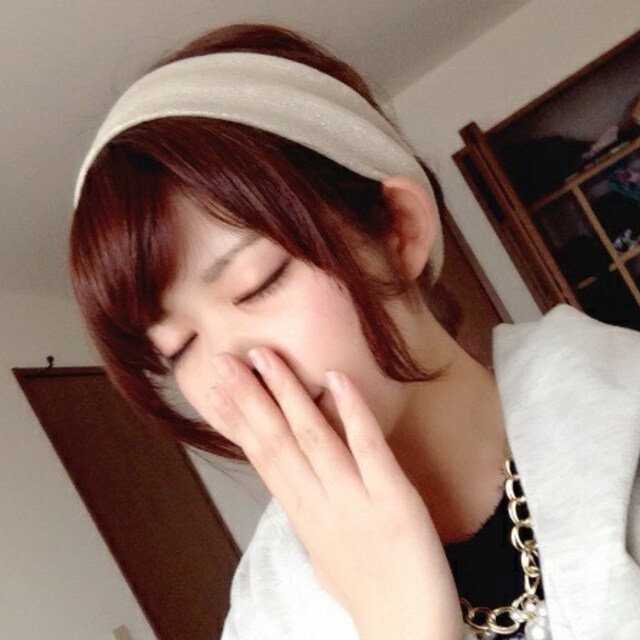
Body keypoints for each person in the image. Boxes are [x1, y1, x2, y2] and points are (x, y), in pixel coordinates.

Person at [69, 23, 640, 640]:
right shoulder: (266, 618)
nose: (233, 372)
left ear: (398, 229)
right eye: (177, 350)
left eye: (258, 283)